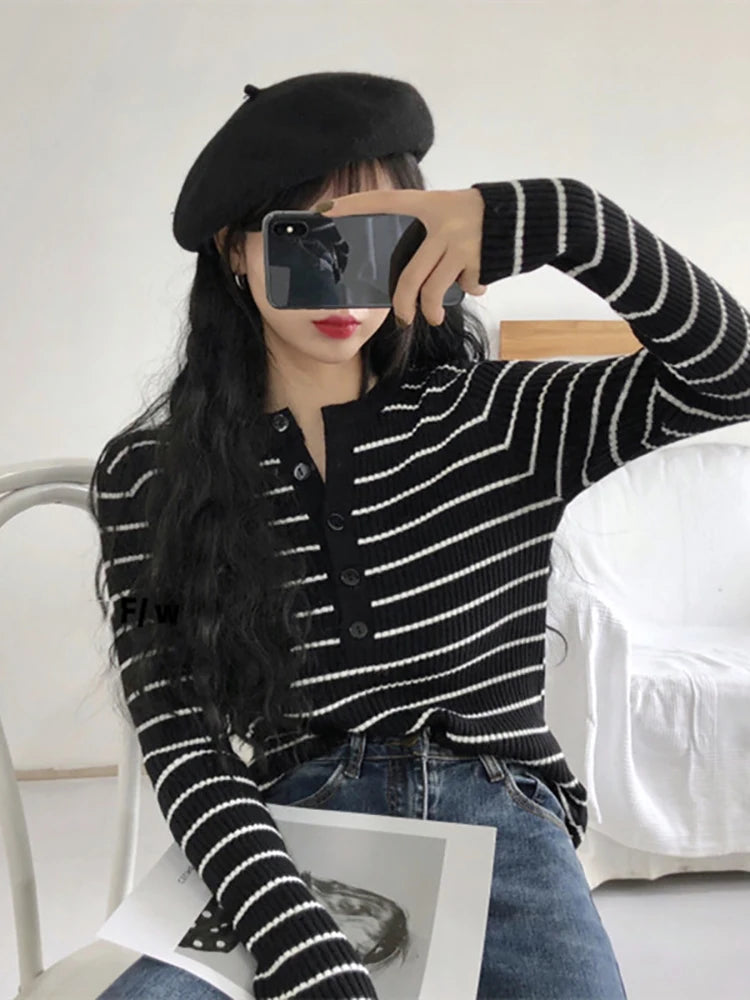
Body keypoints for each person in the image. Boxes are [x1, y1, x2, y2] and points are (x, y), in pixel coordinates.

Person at [91, 71, 750, 1000]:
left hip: (505, 827)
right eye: (303, 237)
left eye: (377, 236)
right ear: (234, 250)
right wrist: (295, 935)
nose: (340, 276)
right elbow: (180, 738)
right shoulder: (148, 477)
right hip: (291, 842)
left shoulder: (496, 417)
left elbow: (731, 375)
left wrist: (560, 217)